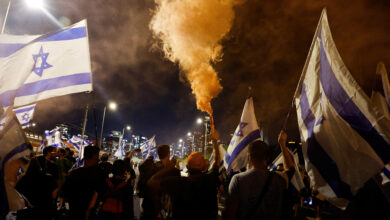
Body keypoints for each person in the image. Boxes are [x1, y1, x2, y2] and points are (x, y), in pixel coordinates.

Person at [223, 130, 295, 220]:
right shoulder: (279, 178)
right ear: (267, 158)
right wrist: (282, 145)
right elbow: (290, 169)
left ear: (249, 157)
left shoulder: (238, 179)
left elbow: (230, 213)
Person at [153, 130, 221, 220]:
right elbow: (217, 161)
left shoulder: (176, 182)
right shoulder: (209, 179)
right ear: (203, 166)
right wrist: (215, 141)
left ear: (187, 166)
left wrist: (168, 167)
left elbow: (152, 182)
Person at [61, 145, 108, 220]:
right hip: (91, 214)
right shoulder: (101, 174)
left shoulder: (74, 173)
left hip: (74, 211)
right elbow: (102, 194)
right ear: (95, 157)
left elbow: (64, 192)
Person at [139, 145, 180, 220]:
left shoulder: (150, 168)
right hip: (163, 209)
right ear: (168, 154)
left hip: (148, 206)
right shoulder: (174, 171)